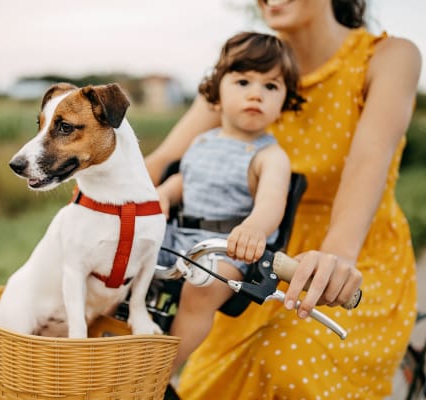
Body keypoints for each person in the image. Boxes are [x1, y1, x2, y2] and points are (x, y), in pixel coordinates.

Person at [145, 0, 422, 398]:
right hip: (254, 256)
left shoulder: (389, 57)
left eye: (271, 87)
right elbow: (166, 159)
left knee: (282, 365)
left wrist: (338, 255)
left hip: (349, 255)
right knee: (205, 385)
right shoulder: (250, 62)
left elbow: (368, 164)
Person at [155, 31, 304, 371]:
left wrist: (253, 227)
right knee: (123, 251)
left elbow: (271, 201)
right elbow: (185, 181)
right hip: (178, 236)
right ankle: (99, 336)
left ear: (284, 101)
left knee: (202, 288)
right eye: (243, 82)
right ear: (217, 92)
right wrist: (164, 193)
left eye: (271, 86)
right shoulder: (203, 140)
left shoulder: (269, 155)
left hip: (226, 247)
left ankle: (160, 371)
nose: (256, 93)